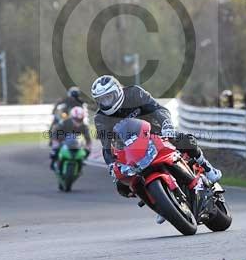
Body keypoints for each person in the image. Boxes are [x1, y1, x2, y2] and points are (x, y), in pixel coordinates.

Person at [90, 75, 222, 197]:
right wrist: (111, 165)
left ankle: (207, 168)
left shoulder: (134, 93)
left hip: (154, 132)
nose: (106, 102)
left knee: (184, 140)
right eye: (102, 99)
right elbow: (106, 145)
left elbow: (157, 109)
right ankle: (159, 202)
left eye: (109, 97)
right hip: (130, 148)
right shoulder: (100, 118)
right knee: (122, 186)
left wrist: (166, 124)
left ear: (118, 92)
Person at [49, 105, 92, 171]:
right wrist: (55, 140)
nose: (78, 121)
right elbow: (55, 130)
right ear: (72, 117)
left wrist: (88, 146)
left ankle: (81, 160)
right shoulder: (65, 122)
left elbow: (88, 138)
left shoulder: (84, 126)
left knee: (87, 149)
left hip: (75, 142)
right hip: (62, 139)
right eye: (76, 119)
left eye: (80, 120)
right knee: (55, 149)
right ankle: (53, 162)